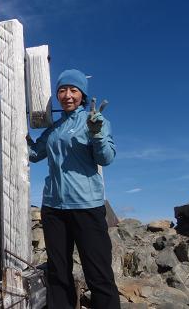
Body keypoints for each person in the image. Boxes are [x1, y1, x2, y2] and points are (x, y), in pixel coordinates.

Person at [27, 69, 120, 308]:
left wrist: (97, 133)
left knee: (98, 274)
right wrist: (15, 131)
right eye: (62, 90)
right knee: (58, 273)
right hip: (54, 208)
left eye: (73, 90)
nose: (67, 95)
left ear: (82, 94)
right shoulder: (55, 129)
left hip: (87, 206)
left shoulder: (96, 121)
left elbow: (106, 158)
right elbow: (34, 154)